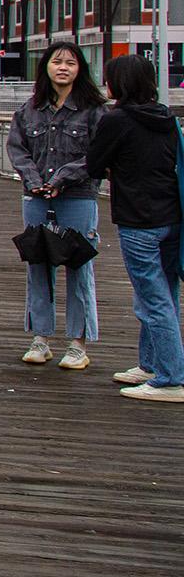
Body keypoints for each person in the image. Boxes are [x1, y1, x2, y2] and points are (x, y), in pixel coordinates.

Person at [85, 54, 184, 402]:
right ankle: (151, 363)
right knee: (165, 292)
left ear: (120, 83)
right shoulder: (167, 118)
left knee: (152, 299)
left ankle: (172, 378)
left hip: (138, 220)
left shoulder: (118, 120)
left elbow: (94, 163)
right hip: (171, 218)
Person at [5, 40, 106, 370]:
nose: (63, 68)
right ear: (46, 66)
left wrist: (63, 177)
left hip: (78, 198)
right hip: (35, 199)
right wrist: (33, 180)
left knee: (79, 267)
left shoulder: (94, 110)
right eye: (57, 62)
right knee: (38, 264)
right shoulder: (29, 109)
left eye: (71, 63)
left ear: (80, 70)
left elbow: (99, 154)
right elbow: (17, 148)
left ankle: (78, 342)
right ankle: (41, 337)